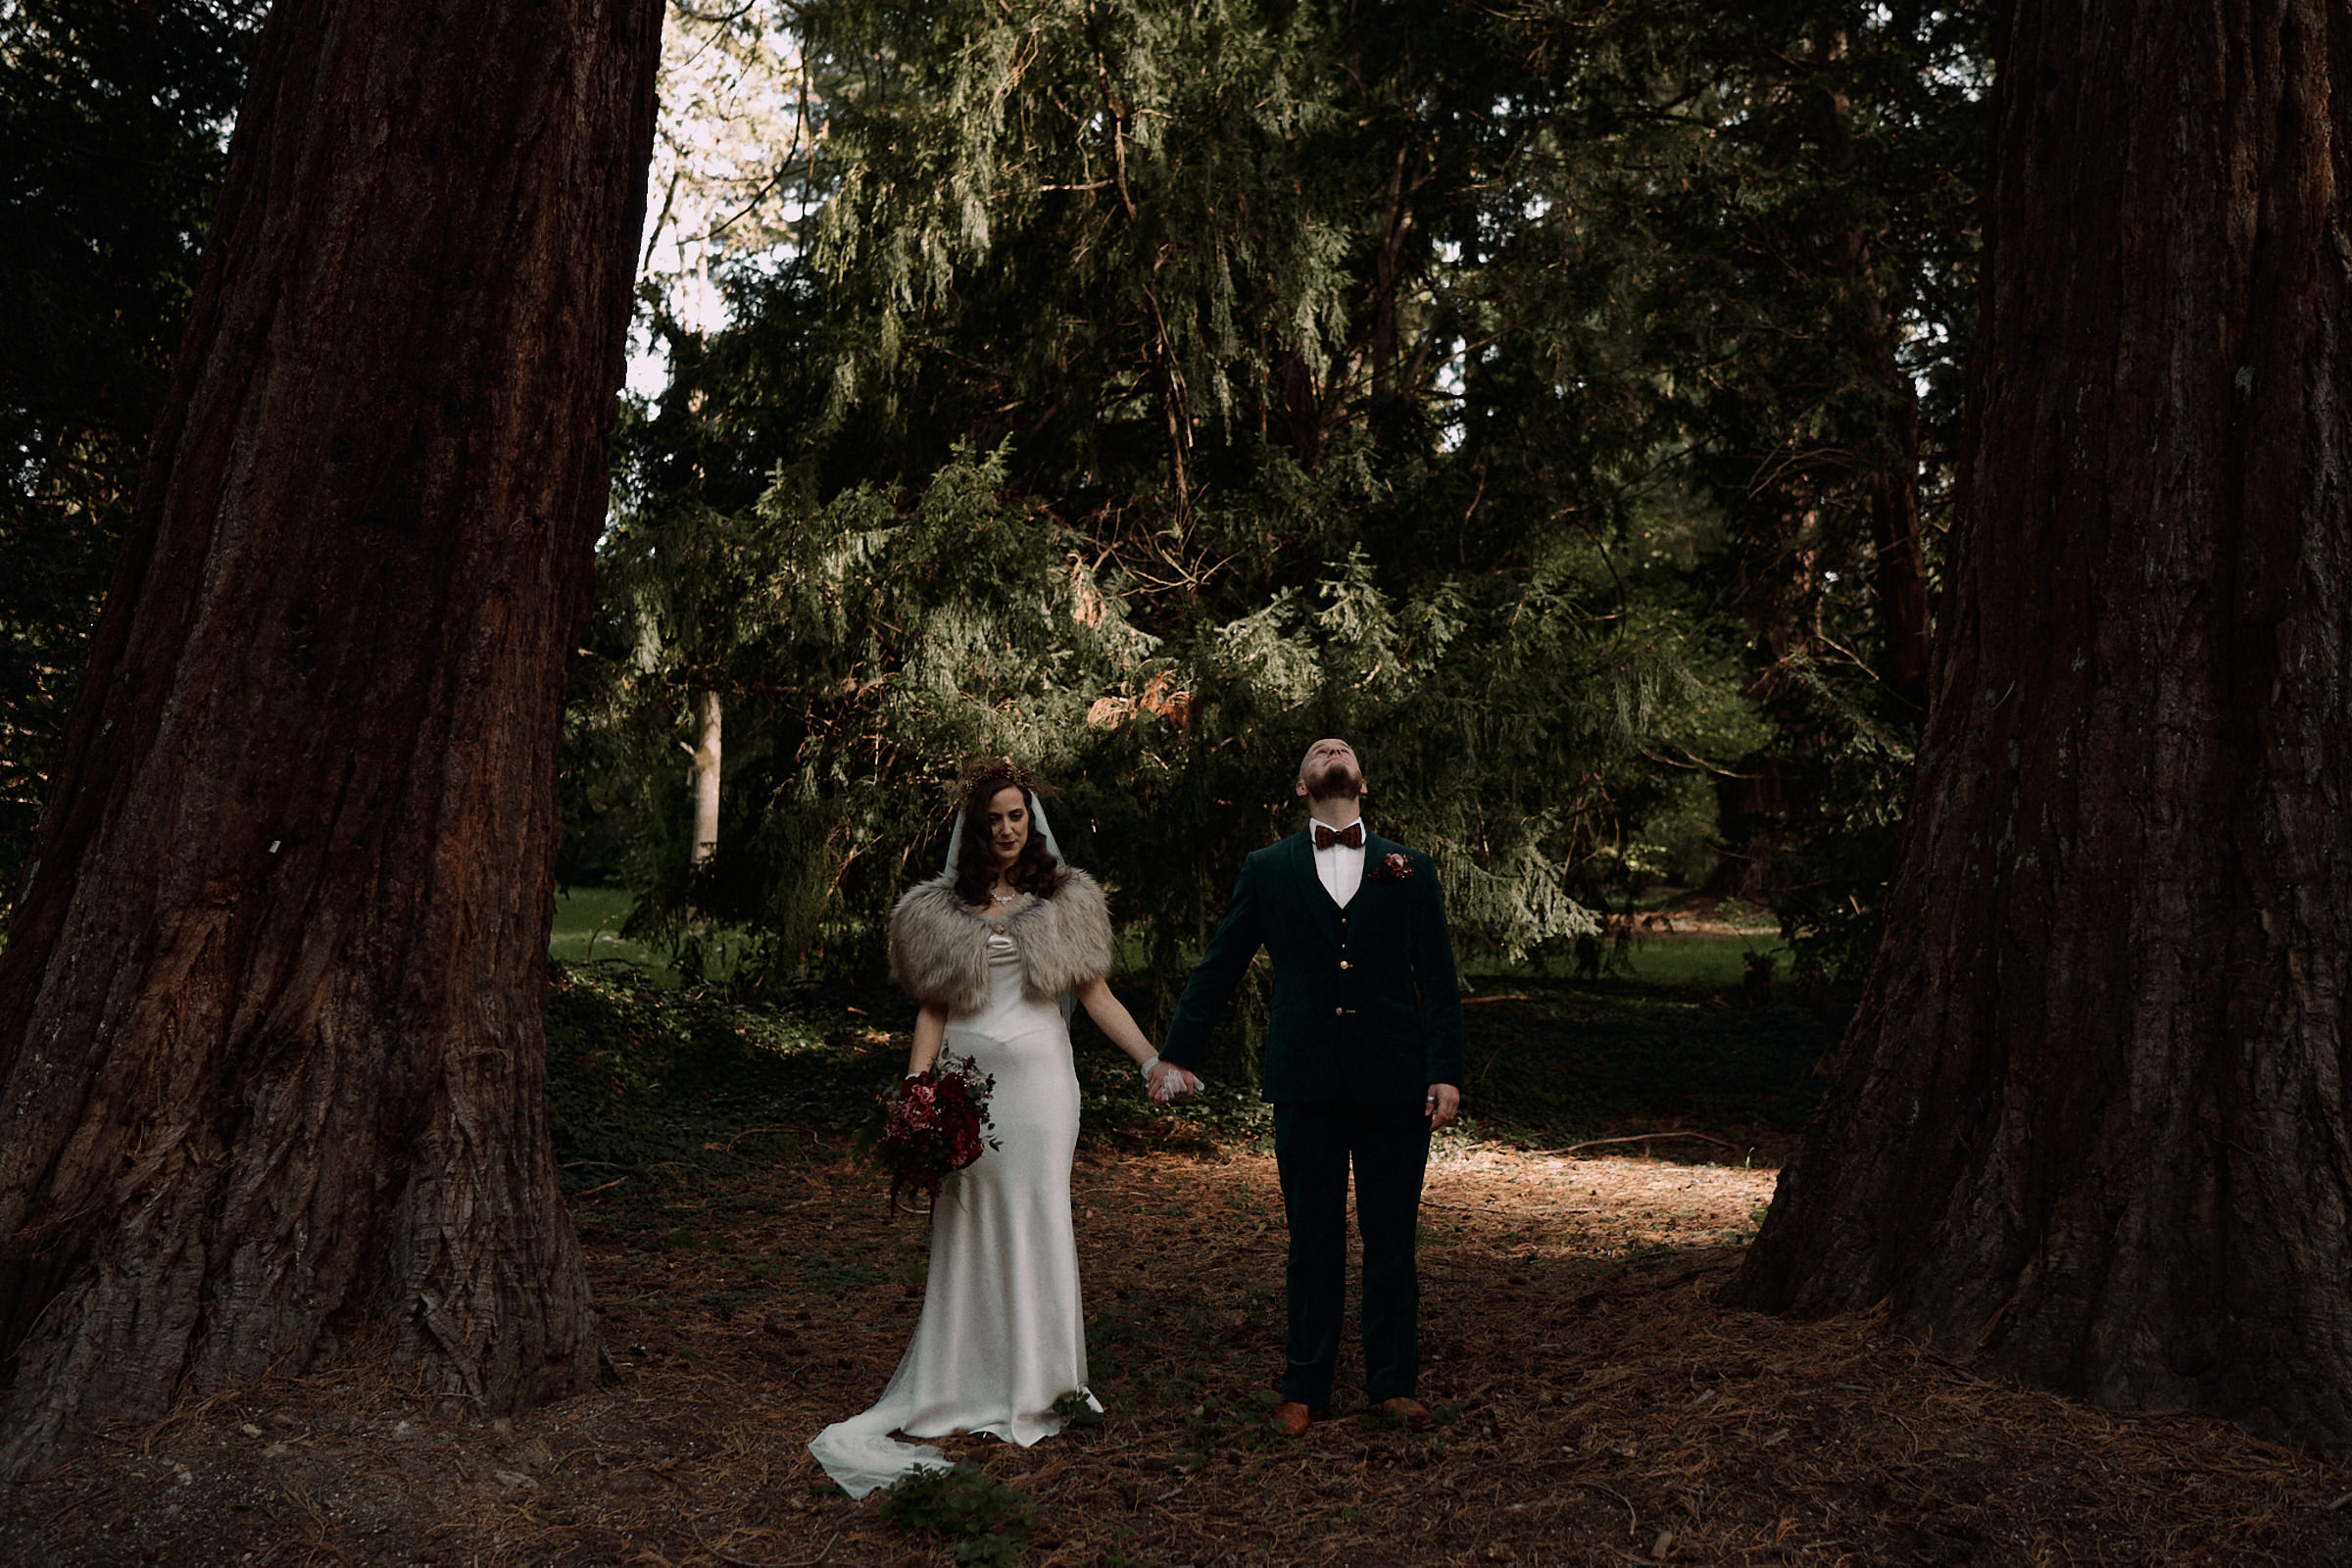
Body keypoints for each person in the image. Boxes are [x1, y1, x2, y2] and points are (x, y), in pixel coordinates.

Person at [808, 762, 1166, 1497]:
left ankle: (1043, 1386)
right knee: (966, 1226)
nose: (1005, 830)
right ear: (973, 830)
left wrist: (1152, 1061)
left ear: (1030, 822)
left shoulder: (1063, 901)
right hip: (965, 1093)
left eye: (1015, 817)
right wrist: (917, 1091)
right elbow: (932, 1012)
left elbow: (1095, 997)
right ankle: (957, 1382)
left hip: (1042, 1093)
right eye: (992, 819)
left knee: (1038, 1217)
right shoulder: (939, 910)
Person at [1150, 738, 1463, 1436]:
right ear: (1300, 788)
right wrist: (1175, 1055)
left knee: (1391, 1240)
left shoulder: (1410, 868)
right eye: (1319, 750)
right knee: (1311, 1241)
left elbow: (1438, 980)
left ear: (1363, 780)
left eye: (1344, 747)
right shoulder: (1267, 869)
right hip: (1304, 1082)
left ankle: (1392, 1384)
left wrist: (1445, 1071)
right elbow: (1220, 966)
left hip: (1394, 1081)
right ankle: (1305, 1384)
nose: (1332, 749)